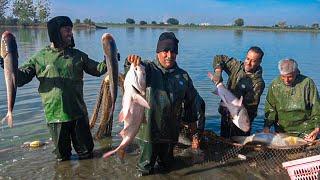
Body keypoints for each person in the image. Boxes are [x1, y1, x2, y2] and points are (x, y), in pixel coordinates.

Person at [0, 16, 107, 161]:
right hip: (55, 115)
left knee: (87, 153)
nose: (70, 33)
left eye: (71, 30)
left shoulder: (77, 55)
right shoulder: (40, 57)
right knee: (62, 158)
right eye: (67, 30)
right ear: (55, 32)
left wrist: (109, 60)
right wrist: (7, 65)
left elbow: (97, 69)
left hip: (78, 113)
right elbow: (20, 79)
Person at [125, 32, 205, 175]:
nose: (169, 55)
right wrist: (130, 61)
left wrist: (194, 136)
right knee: (145, 169)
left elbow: (191, 107)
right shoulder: (147, 69)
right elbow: (132, 72)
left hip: (170, 133)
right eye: (165, 51)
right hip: (148, 132)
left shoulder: (183, 76)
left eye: (173, 51)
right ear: (158, 52)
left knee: (168, 168)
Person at [211, 46, 265, 138]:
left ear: (259, 62)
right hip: (226, 113)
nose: (248, 63)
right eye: (247, 59)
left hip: (242, 118)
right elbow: (219, 58)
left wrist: (234, 112)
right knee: (224, 139)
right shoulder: (237, 66)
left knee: (238, 142)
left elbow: (249, 107)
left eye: (253, 61)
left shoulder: (258, 83)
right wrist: (218, 71)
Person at [263, 59, 320, 141]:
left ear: (296, 72)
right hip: (282, 128)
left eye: (290, 76)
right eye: (283, 76)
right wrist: (266, 127)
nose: (286, 80)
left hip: (305, 128)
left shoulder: (307, 83)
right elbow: (270, 108)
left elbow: (316, 107)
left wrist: (317, 128)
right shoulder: (274, 84)